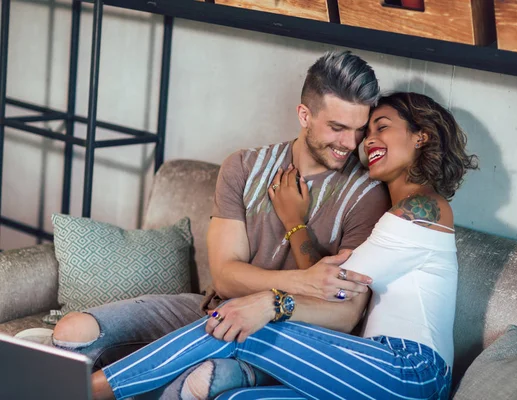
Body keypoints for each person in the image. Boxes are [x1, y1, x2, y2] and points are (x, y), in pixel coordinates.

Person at [89, 91, 479, 400]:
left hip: (408, 371)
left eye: (382, 127)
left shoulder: (422, 208)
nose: (368, 141)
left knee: (241, 323)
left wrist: (270, 301)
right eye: (368, 132)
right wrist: (297, 225)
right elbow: (322, 279)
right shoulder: (396, 210)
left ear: (421, 135)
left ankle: (92, 390)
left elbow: (336, 287)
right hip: (371, 367)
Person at [49, 50, 390, 398]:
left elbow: (344, 312)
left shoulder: (369, 196)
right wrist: (304, 281)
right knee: (73, 330)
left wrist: (275, 286)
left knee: (202, 379)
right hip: (210, 308)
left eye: (359, 129)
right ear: (304, 115)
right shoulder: (244, 167)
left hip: (277, 338)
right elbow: (226, 274)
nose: (350, 144)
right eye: (337, 128)